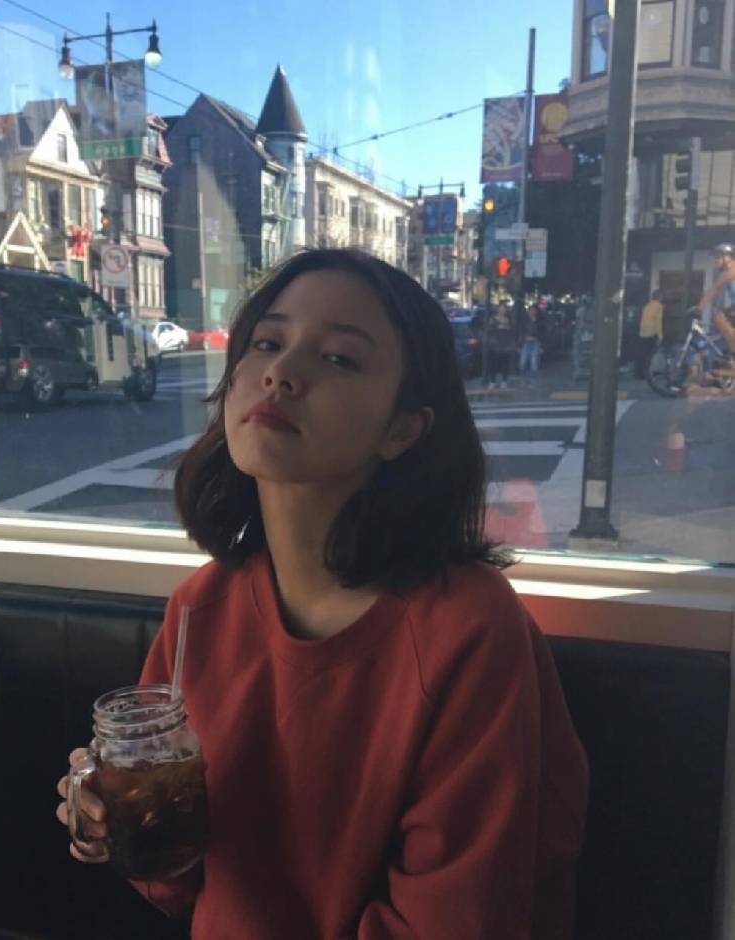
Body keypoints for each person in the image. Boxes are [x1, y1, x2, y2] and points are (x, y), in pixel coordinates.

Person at [56, 248, 589, 939]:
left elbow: (457, 919)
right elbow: (178, 887)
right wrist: (118, 816)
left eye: (339, 358)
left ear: (403, 429)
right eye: (266, 343)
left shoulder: (466, 629)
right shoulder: (197, 609)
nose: (280, 372)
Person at [696, 243, 735, 353]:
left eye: (718, 257)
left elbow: (714, 289)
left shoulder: (732, 270)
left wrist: (699, 308)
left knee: (719, 318)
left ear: (727, 257)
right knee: (721, 325)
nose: (715, 260)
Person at [635, 290, 664, 379]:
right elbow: (658, 322)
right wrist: (660, 335)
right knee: (650, 355)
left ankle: (638, 373)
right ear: (659, 297)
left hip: (643, 332)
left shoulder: (646, 306)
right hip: (652, 333)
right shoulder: (659, 306)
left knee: (642, 354)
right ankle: (647, 373)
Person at [486, 302, 515, 389]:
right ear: (498, 309)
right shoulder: (492, 319)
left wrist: (507, 328)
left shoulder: (508, 319)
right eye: (501, 308)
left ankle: (504, 381)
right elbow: (489, 330)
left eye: (504, 309)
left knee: (505, 363)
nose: (502, 310)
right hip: (495, 344)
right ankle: (492, 381)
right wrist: (497, 327)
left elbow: (512, 331)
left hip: (505, 344)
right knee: (493, 364)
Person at [518, 303, 542, 386]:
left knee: (534, 363)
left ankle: (533, 381)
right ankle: (523, 379)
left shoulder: (539, 321)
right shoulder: (524, 321)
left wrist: (539, 342)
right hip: (525, 342)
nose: (532, 312)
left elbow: (543, 333)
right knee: (523, 362)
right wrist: (524, 338)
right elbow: (520, 331)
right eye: (531, 310)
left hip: (536, 343)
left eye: (534, 310)